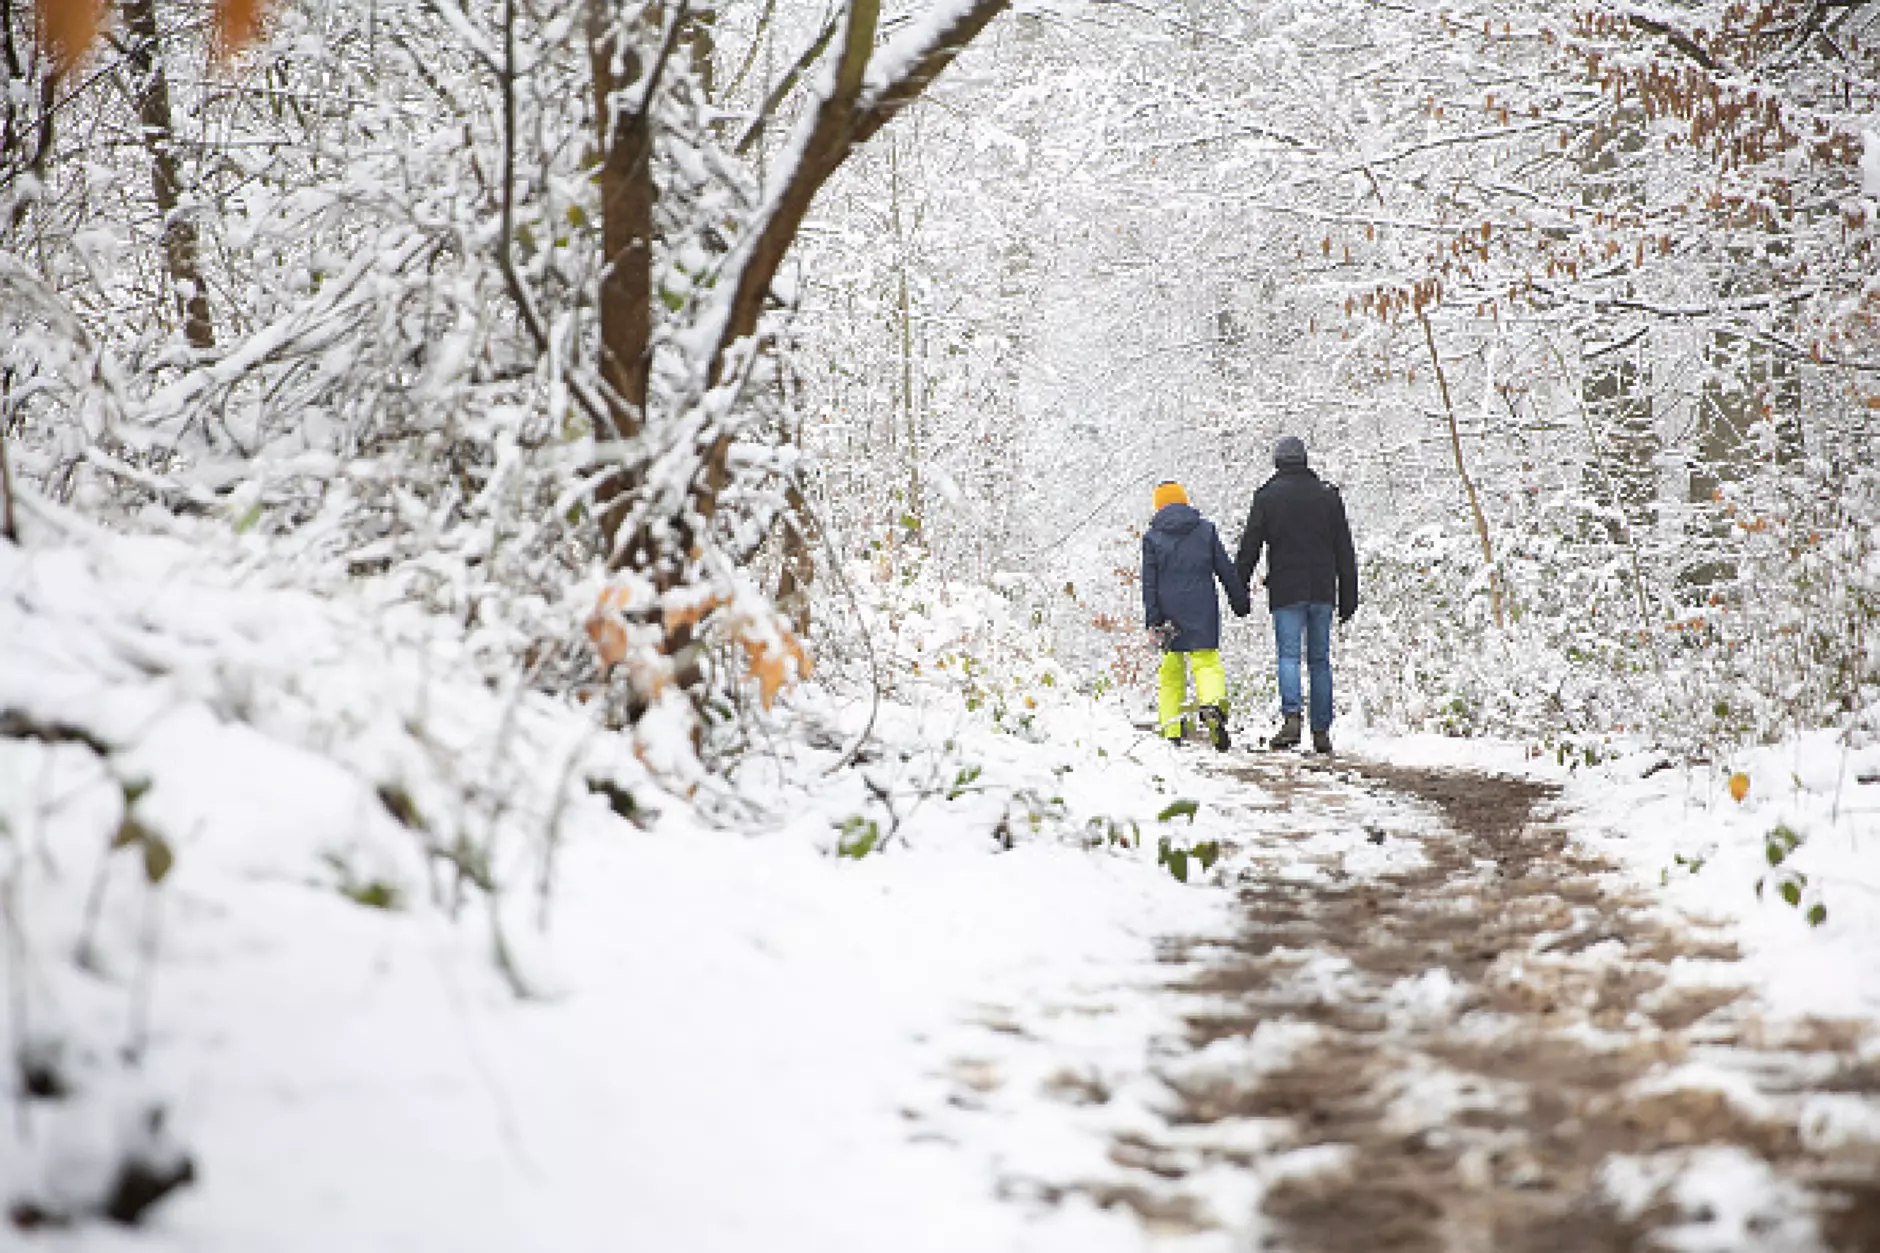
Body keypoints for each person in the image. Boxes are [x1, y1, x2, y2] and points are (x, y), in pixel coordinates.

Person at [1234, 436, 1358, 754]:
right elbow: (1344, 548)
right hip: (1322, 588)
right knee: (1319, 660)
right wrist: (1349, 592)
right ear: (1304, 460)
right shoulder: (1328, 496)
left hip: (1286, 588)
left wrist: (1239, 588)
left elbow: (1251, 545)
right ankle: (1320, 730)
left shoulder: (1267, 497)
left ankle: (1292, 717)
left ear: (1277, 462)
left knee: (1288, 656)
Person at [1142, 481, 1251, 750]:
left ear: (1158, 506)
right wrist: (1239, 599)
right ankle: (1212, 705)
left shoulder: (1152, 538)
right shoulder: (1205, 530)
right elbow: (1225, 569)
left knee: (1171, 671)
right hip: (1202, 606)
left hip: (1168, 609)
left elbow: (1149, 582)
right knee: (1206, 662)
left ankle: (1172, 728)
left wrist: (1153, 618)